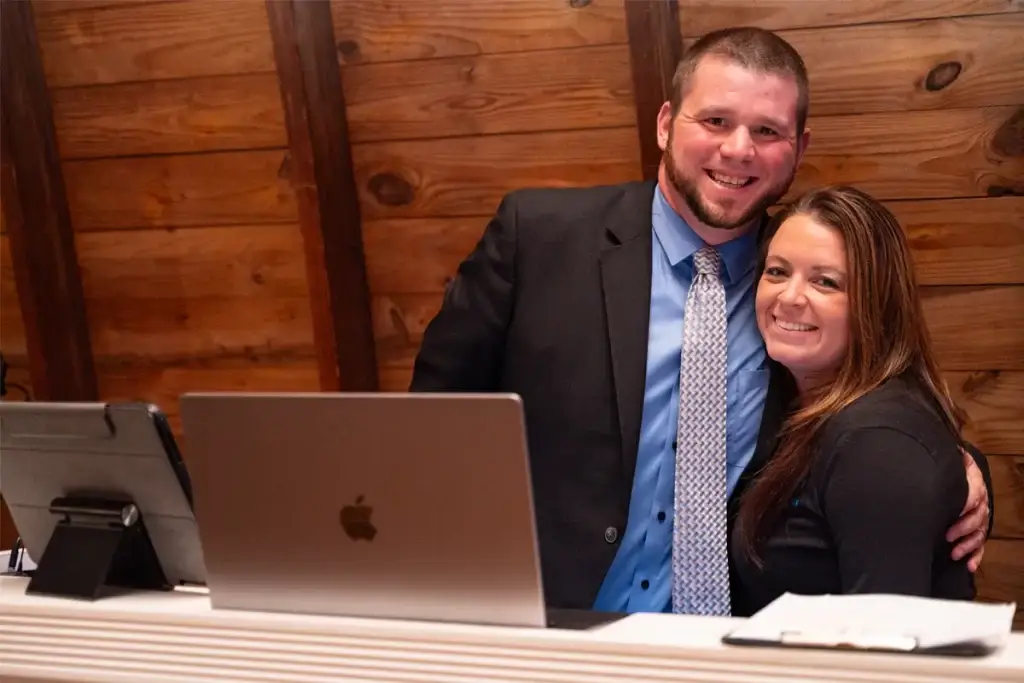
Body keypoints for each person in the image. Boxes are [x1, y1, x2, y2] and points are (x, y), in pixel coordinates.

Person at [408, 26, 993, 616]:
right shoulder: (537, 238)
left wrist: (965, 470)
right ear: (666, 124)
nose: (738, 149)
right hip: (544, 629)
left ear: (799, 147)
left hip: (724, 648)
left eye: (767, 131)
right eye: (714, 121)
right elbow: (429, 425)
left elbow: (872, 398)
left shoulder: (794, 286)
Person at [731, 185, 978, 614]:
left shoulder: (876, 441)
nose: (789, 297)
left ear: (876, 304)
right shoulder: (799, 404)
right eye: (777, 272)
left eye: (825, 282)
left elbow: (884, 649)